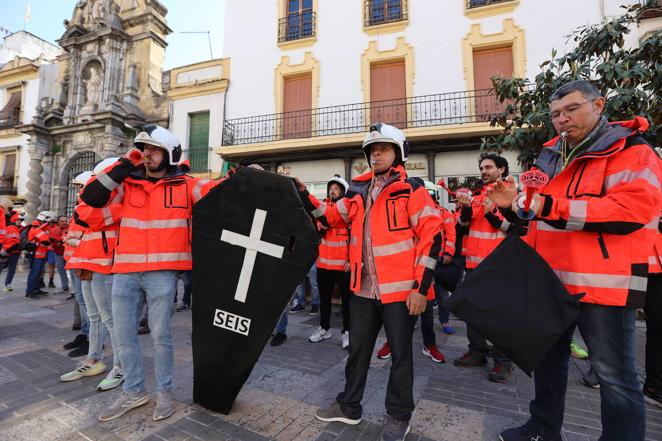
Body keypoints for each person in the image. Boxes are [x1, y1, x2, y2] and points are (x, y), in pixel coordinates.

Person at [487, 80, 662, 441]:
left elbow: (630, 211)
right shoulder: (550, 153)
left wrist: (547, 206)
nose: (562, 119)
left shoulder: (633, 150)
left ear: (599, 105)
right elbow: (535, 211)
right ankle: (542, 429)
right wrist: (514, 204)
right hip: (551, 278)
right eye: (555, 114)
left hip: (605, 284)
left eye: (571, 109)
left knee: (615, 375)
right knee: (548, 362)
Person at [296, 123, 442, 441]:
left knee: (401, 355)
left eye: (384, 149)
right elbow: (329, 216)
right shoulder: (358, 193)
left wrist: (420, 289)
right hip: (363, 289)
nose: (376, 154)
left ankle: (399, 416)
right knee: (358, 351)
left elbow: (433, 237)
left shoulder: (412, 189)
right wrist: (302, 191)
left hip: (401, 292)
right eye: (372, 150)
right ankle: (349, 406)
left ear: (398, 154)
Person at [78, 125, 218, 422]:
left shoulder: (186, 185)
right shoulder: (126, 185)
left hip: (162, 274)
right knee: (125, 337)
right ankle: (134, 391)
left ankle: (164, 393)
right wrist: (124, 164)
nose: (146, 153)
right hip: (125, 273)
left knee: (161, 336)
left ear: (170, 154)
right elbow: (89, 203)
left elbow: (221, 192)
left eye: (153, 149)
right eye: (143, 148)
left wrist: (248, 174)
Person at [60, 161, 124, 392]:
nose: (79, 191)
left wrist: (76, 242)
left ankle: (121, 366)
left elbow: (95, 224)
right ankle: (94, 360)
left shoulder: (107, 205)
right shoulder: (89, 205)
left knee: (110, 319)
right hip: (88, 263)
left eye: (82, 186)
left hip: (103, 265)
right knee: (95, 316)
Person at [453, 153, 515, 384]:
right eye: (481, 167)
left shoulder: (511, 194)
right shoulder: (477, 195)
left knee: (500, 315)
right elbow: (461, 227)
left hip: (499, 265)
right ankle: (477, 352)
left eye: (488, 167)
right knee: (473, 312)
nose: (484, 171)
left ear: (501, 169)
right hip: (474, 264)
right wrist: (467, 209)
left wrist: (492, 212)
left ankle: (503, 361)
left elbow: (516, 228)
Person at [308, 175, 353, 349]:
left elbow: (354, 235)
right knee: (324, 299)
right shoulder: (323, 206)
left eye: (336, 188)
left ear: (343, 191)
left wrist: (352, 259)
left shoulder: (347, 208)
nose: (332, 191)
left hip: (343, 264)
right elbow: (317, 224)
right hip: (324, 264)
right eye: (330, 188)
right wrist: (320, 226)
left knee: (347, 301)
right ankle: (324, 329)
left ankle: (347, 332)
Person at [644, 211, 662, 408]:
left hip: (658, 263)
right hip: (630, 259)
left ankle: (654, 386)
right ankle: (599, 372)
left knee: (659, 324)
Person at [26, 212, 53, 298]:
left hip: (41, 255)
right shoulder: (36, 229)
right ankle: (30, 292)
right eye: (47, 222)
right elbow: (45, 240)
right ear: (43, 220)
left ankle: (36, 289)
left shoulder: (40, 229)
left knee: (38, 273)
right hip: (36, 255)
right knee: (34, 273)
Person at [1, 210, 22, 291]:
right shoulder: (14, 229)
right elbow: (16, 244)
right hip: (11, 253)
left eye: (20, 220)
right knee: (11, 270)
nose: (19, 222)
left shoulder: (5, 227)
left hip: (4, 252)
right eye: (18, 220)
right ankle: (7, 285)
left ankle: (8, 285)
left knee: (6, 269)